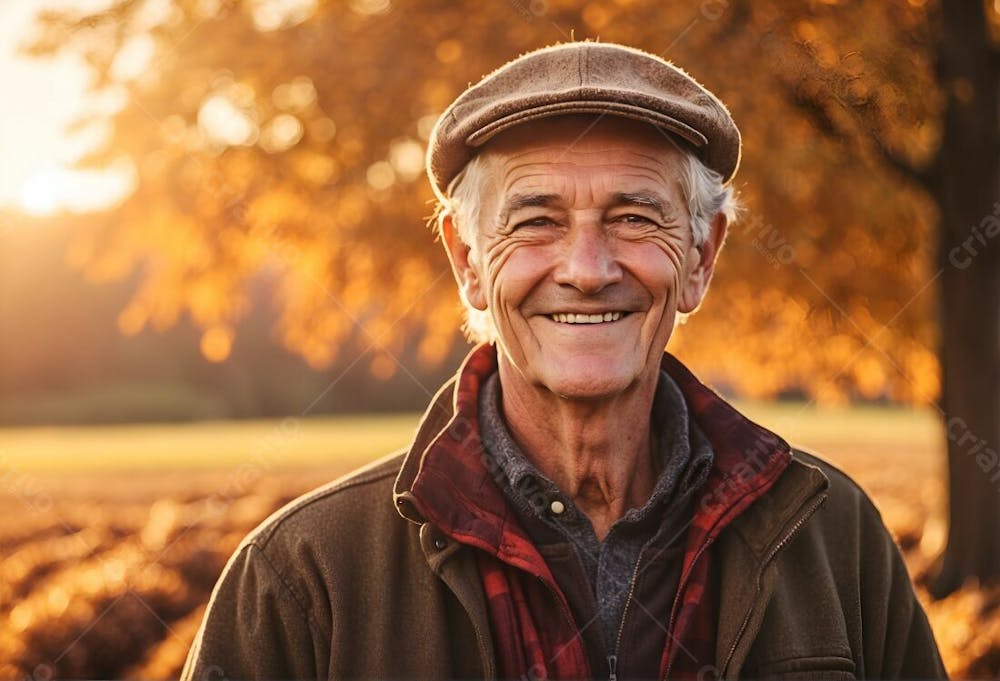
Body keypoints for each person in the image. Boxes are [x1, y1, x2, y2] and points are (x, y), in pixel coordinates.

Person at [183, 42, 947, 680]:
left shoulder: (836, 540)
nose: (586, 267)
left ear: (701, 257)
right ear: (468, 262)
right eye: (537, 220)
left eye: (634, 216)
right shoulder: (302, 578)